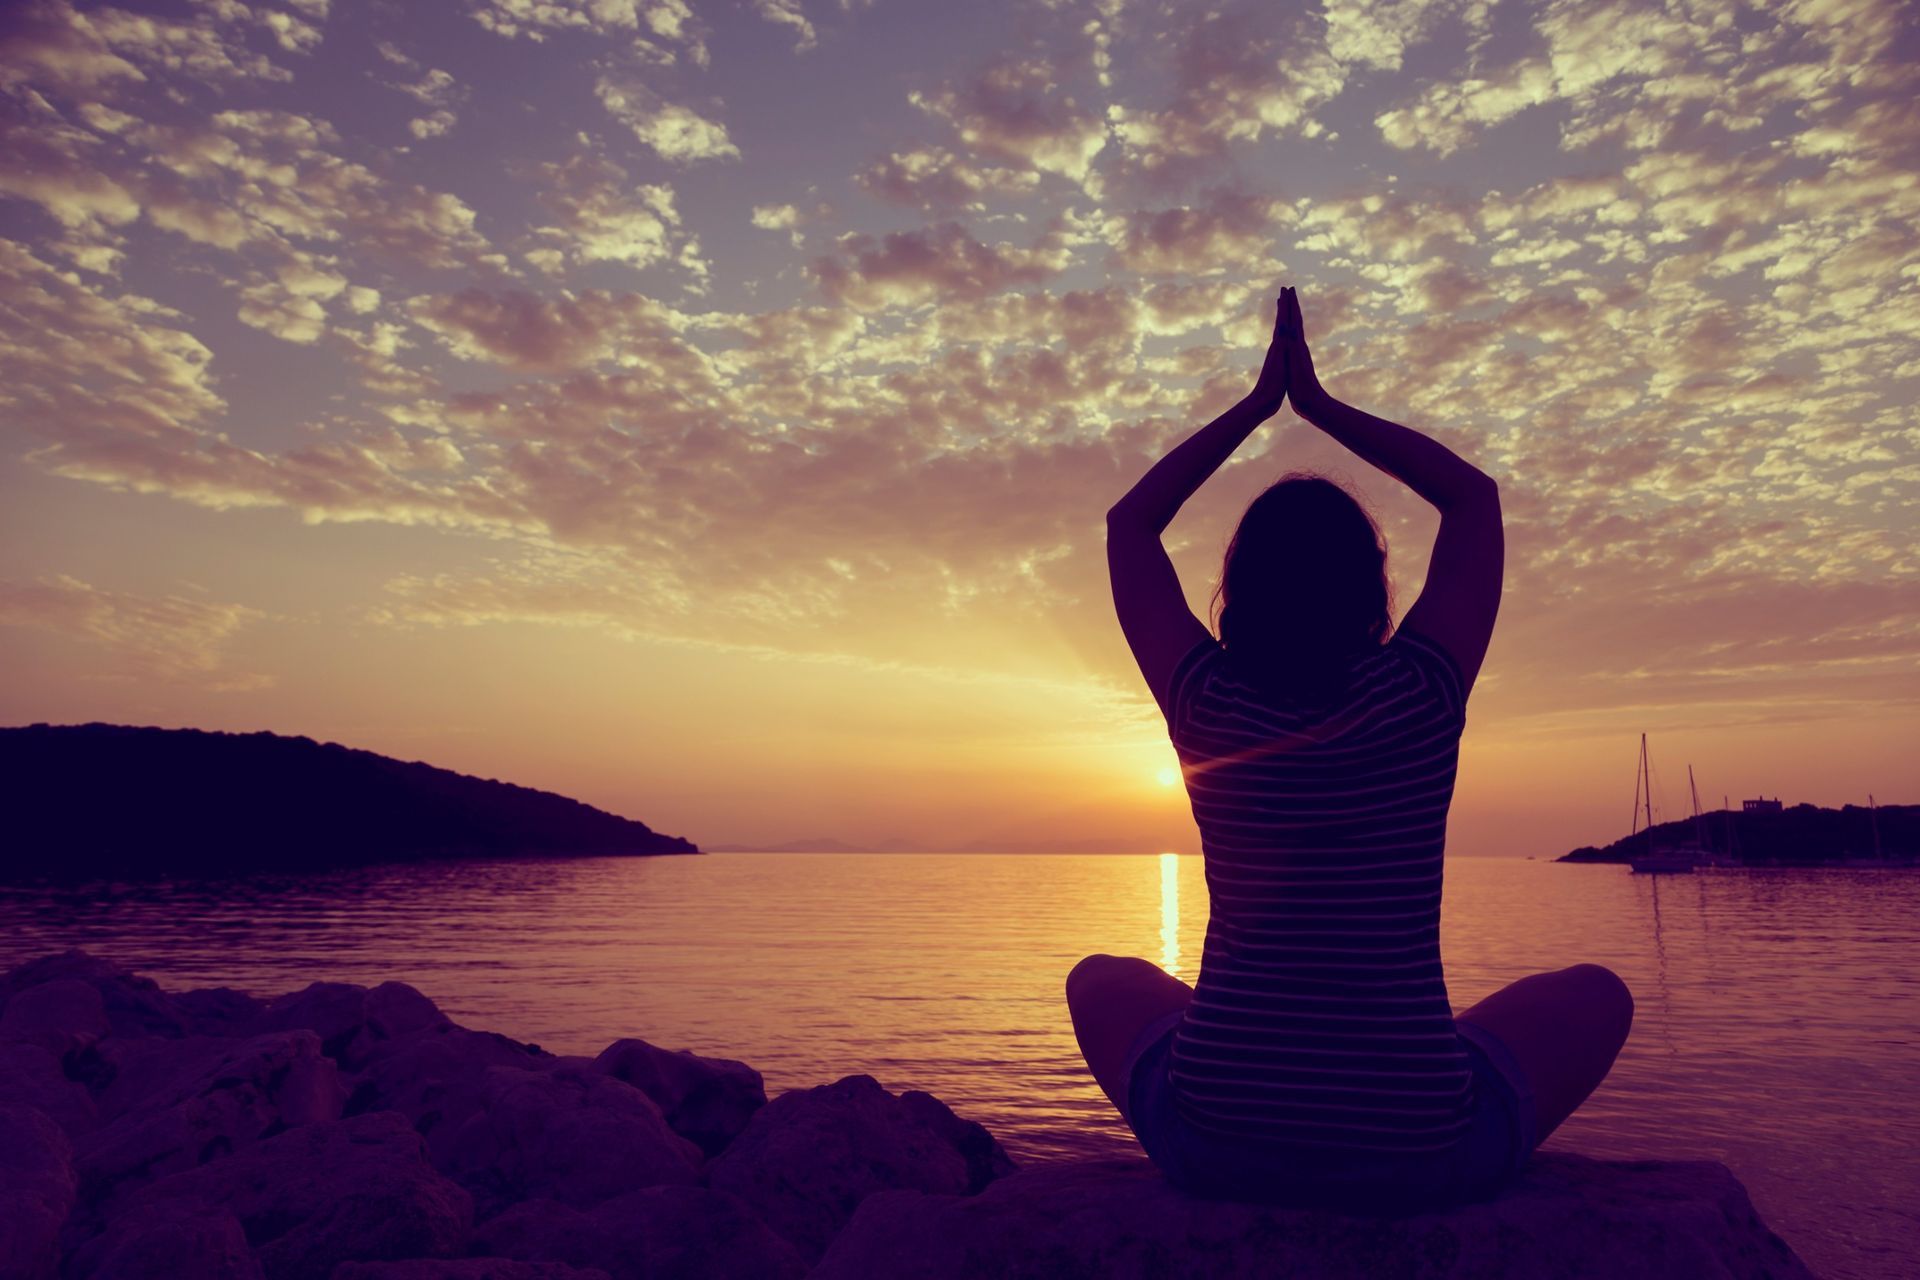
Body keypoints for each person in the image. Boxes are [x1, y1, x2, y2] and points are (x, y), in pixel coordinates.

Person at [1068, 286, 1634, 1214]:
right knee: (1597, 993)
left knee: (1100, 978)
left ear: (1236, 593)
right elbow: (1472, 500)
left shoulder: (1209, 702)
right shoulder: (1420, 694)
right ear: (1372, 590)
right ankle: (1382, 1067)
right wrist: (1321, 407)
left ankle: (1305, 1079)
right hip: (1419, 1155)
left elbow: (1128, 528)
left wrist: (1257, 408)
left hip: (1216, 1145)